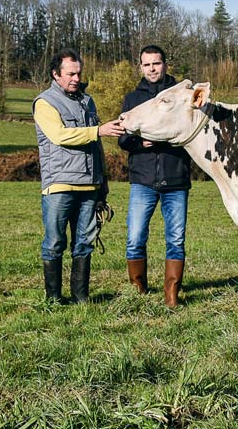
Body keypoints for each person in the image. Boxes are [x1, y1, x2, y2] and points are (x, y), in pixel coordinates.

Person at [33, 47, 125, 304]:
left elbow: (96, 149)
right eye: (71, 73)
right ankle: (53, 299)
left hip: (90, 187)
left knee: (84, 244)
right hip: (59, 186)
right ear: (55, 74)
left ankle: (80, 298)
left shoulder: (88, 102)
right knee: (54, 243)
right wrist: (98, 130)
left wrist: (102, 183)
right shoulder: (45, 103)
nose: (76, 78)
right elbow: (60, 136)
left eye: (78, 73)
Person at [118, 45, 190, 307]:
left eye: (156, 63)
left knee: (176, 239)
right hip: (143, 179)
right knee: (135, 237)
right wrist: (141, 144)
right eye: (147, 64)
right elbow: (123, 138)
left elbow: (188, 131)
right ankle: (138, 290)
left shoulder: (180, 97)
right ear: (141, 67)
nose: (152, 69)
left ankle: (171, 294)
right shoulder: (132, 99)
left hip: (176, 179)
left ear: (165, 65)